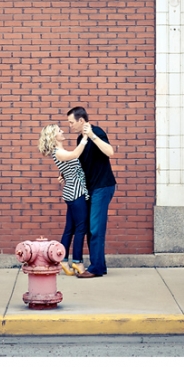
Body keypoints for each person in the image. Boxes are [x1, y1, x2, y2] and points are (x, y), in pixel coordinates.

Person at [66, 106, 116, 278]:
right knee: (89, 227)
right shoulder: (80, 138)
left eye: (71, 122)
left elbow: (110, 152)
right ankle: (99, 265)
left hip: (102, 186)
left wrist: (93, 136)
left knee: (95, 228)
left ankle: (96, 268)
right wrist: (64, 174)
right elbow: (80, 162)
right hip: (90, 188)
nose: (70, 126)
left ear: (81, 120)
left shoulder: (97, 132)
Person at [38, 124, 89, 276]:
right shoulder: (58, 152)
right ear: (54, 136)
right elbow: (75, 155)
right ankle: (77, 262)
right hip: (76, 193)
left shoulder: (61, 151)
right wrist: (85, 137)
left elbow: (69, 167)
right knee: (81, 228)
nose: (63, 131)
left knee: (70, 229)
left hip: (72, 192)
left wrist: (63, 175)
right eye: (59, 131)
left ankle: (63, 260)